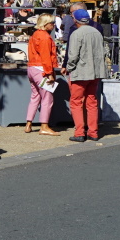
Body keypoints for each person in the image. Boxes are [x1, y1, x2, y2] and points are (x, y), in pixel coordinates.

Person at [64, 8, 106, 142]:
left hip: (81, 72)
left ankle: (80, 132)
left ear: (75, 20)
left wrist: (69, 68)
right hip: (95, 72)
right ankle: (93, 132)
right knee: (92, 102)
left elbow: (73, 56)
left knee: (76, 102)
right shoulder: (97, 32)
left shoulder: (76, 34)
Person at [23, 14, 59, 136]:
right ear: (45, 24)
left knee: (35, 96)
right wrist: (49, 73)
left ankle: (28, 124)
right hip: (41, 69)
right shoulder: (45, 37)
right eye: (52, 22)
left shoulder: (35, 35)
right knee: (47, 98)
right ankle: (44, 126)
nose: (53, 25)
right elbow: (46, 57)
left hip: (32, 68)